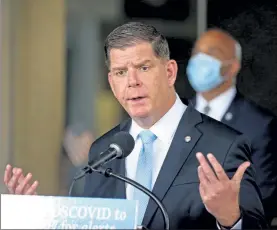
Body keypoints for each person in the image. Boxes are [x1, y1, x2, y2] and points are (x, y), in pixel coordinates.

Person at [4, 22, 267, 229]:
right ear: (111, 81)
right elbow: (92, 223)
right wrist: (38, 216)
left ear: (169, 72)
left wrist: (231, 218)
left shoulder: (224, 145)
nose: (132, 82)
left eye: (143, 68)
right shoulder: (104, 150)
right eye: (120, 72)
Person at [186, 28, 277, 223]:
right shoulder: (175, 114)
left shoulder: (259, 125)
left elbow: (264, 201)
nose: (201, 59)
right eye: (196, 52)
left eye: (212, 53)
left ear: (232, 67)